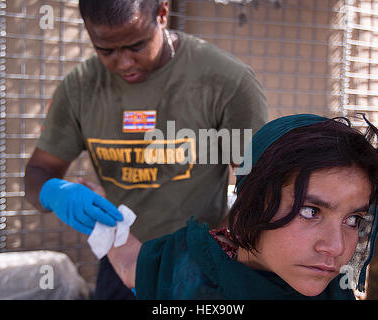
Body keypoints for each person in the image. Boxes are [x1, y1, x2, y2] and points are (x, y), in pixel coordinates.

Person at [23, 0, 268, 299]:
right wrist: (55, 192)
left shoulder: (226, 81)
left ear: (162, 13)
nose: (124, 63)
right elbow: (38, 171)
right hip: (119, 258)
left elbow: (260, 186)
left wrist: (215, 253)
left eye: (136, 46)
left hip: (200, 262)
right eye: (106, 51)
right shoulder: (79, 89)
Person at [105, 113, 378, 299]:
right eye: (310, 211)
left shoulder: (334, 291)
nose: (336, 247)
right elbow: (131, 264)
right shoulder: (189, 261)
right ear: (253, 201)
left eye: (353, 219)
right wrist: (99, 214)